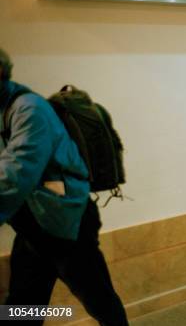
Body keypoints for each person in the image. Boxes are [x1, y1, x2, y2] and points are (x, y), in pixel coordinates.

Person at [0, 48, 129, 325]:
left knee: (98, 299)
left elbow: (16, 172)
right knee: (21, 306)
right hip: (34, 224)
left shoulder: (29, 109)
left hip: (67, 224)